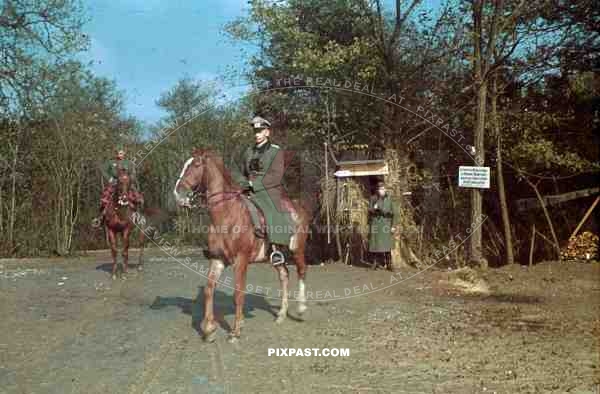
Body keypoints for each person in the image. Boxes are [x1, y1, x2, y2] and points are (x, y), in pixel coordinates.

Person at [234, 116, 295, 265]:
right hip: (248, 189)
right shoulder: (248, 151)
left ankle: (276, 250)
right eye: (255, 131)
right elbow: (241, 172)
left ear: (267, 132)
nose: (257, 134)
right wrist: (243, 183)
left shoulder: (275, 151)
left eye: (260, 131)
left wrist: (254, 185)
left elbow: (276, 176)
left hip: (269, 190)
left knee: (270, 210)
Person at [93, 145, 142, 226]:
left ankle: (137, 216)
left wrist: (130, 179)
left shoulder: (129, 163)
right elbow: (102, 169)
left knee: (136, 197)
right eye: (119, 153)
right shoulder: (110, 162)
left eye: (122, 153)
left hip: (126, 184)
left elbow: (133, 172)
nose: (120, 155)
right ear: (116, 154)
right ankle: (100, 218)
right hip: (114, 183)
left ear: (124, 153)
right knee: (105, 197)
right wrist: (109, 178)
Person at [368, 180, 397, 271]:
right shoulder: (373, 198)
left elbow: (395, 213)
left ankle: (389, 264)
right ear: (377, 190)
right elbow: (369, 210)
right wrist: (374, 208)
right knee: (376, 245)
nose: (382, 190)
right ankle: (375, 263)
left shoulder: (390, 199)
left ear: (385, 189)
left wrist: (393, 226)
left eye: (383, 189)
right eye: (380, 189)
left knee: (387, 246)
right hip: (376, 224)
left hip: (386, 224)